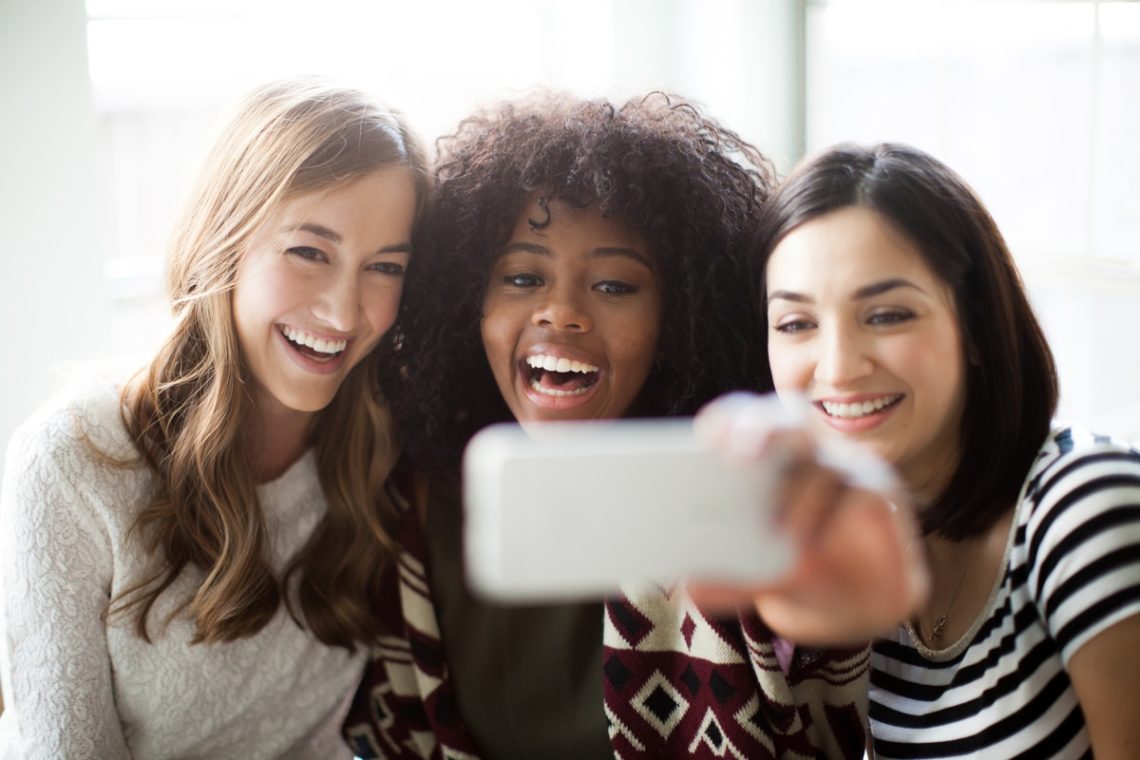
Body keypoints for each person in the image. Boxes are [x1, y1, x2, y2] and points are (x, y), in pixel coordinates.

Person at [343, 93, 923, 759]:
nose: (560, 313)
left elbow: (827, 681)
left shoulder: (736, 497)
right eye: (523, 277)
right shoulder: (409, 498)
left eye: (615, 286)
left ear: (680, 321)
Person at [0, 78, 429, 760]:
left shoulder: (382, 448)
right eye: (309, 252)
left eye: (383, 267)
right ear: (224, 240)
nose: (345, 314)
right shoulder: (69, 462)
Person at [743, 142, 1140, 758]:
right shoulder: (854, 556)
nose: (840, 367)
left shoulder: (1083, 506)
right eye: (796, 324)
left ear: (976, 328)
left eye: (887, 315)